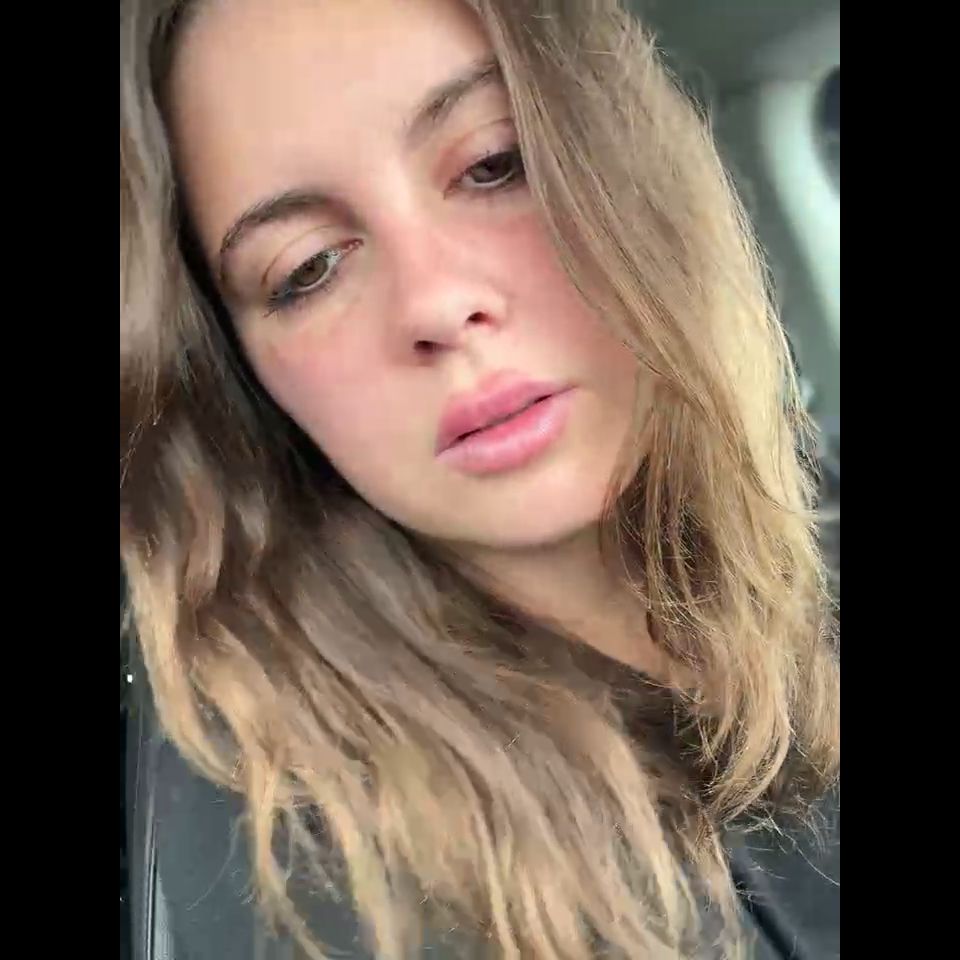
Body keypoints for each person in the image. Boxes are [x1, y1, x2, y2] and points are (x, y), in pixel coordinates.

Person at [119, 1, 840, 957]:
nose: (437, 301)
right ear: (244, 381)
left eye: (494, 164)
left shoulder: (816, 546)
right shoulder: (323, 878)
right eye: (308, 269)